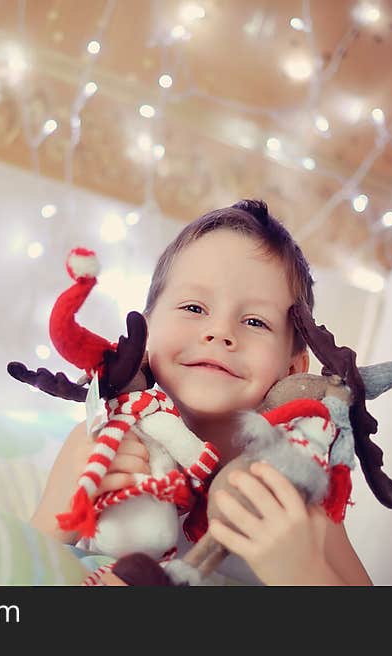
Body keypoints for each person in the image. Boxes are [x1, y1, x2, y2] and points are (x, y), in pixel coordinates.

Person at [29, 199, 372, 586]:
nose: (220, 332)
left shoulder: (295, 484)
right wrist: (57, 518)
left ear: (293, 368)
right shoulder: (101, 445)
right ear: (143, 335)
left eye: (255, 321)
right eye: (194, 307)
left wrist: (301, 570)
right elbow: (17, 576)